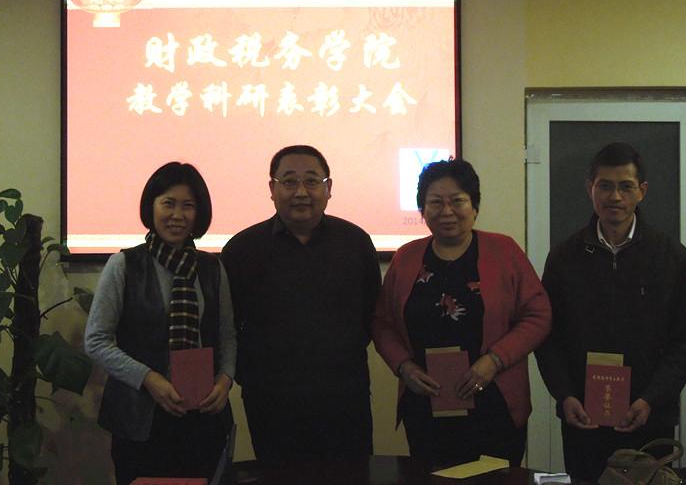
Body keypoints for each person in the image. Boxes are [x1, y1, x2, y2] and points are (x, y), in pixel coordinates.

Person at [534, 142, 686, 482]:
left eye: (625, 186)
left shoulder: (670, 256)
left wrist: (651, 399)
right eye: (605, 186)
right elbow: (547, 337)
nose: (615, 196)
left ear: (642, 191)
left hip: (648, 417)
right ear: (590, 189)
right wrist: (564, 395)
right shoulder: (564, 257)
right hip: (583, 417)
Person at [372, 159, 551, 467]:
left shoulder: (504, 251)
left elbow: (538, 315)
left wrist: (494, 360)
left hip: (494, 402)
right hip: (426, 404)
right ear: (422, 209)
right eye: (435, 202)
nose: (447, 211)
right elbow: (382, 323)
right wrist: (403, 367)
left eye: (457, 201)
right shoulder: (406, 258)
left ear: (474, 206)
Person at [221, 144, 381, 464]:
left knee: (351, 474)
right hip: (271, 400)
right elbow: (228, 326)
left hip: (343, 396)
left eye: (311, 181)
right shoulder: (241, 249)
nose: (301, 192)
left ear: (329, 188)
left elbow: (371, 316)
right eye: (289, 181)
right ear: (272, 188)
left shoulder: (355, 243)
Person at [84, 162, 235, 485]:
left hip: (203, 416)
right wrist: (149, 379)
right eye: (168, 203)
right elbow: (96, 340)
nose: (177, 215)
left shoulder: (212, 268)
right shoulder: (124, 265)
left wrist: (224, 381)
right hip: (141, 418)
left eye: (188, 205)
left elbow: (227, 336)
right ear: (151, 207)